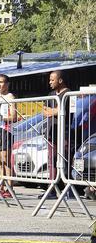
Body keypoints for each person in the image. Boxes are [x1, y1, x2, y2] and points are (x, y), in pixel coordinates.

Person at [43, 70, 71, 198]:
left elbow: (64, 111)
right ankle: (52, 189)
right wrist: (54, 111)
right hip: (51, 133)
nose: (49, 82)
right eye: (49, 80)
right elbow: (45, 111)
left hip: (64, 133)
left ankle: (68, 189)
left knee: (65, 160)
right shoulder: (50, 94)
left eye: (52, 80)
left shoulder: (69, 94)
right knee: (51, 161)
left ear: (60, 80)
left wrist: (54, 111)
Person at [0, 74, 18, 198]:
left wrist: (1, 118)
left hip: (6, 130)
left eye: (2, 82)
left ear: (7, 84)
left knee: (6, 160)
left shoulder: (10, 97)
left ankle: (9, 187)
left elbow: (14, 117)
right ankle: (0, 187)